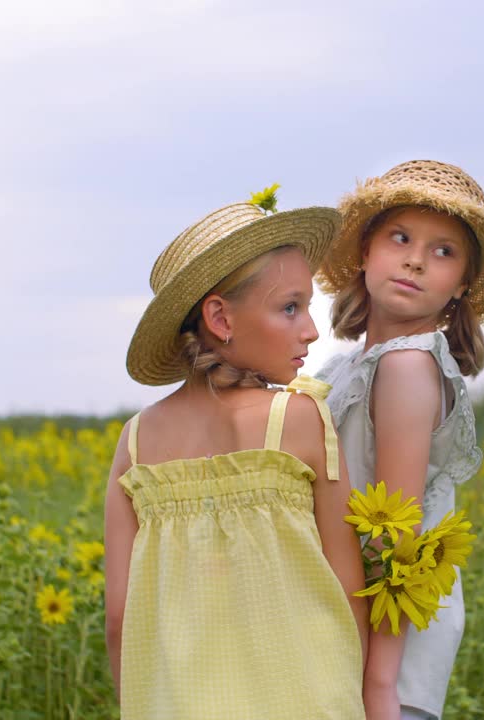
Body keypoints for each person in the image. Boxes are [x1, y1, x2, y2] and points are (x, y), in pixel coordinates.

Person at [104, 200, 369, 718]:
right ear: (221, 317)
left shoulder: (134, 444)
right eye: (290, 307)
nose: (311, 330)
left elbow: (120, 617)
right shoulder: (299, 419)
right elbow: (347, 591)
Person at [316, 160, 484, 720]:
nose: (415, 259)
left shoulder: (408, 366)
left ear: (462, 285)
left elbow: (399, 533)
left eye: (443, 251)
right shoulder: (346, 367)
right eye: (400, 238)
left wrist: (381, 684)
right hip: (353, 622)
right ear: (365, 251)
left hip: (391, 644)